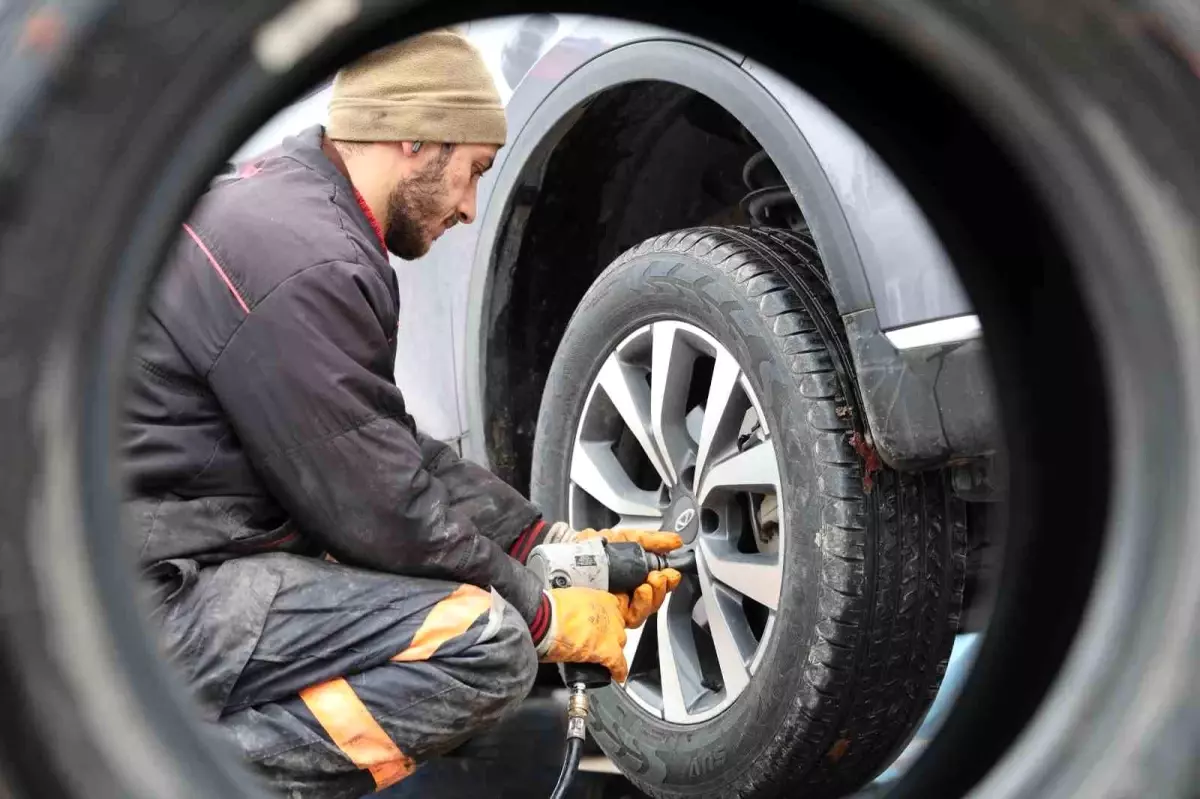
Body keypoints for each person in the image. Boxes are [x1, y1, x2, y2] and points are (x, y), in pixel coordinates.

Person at [122, 30, 682, 798]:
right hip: (165, 603)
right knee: (488, 644)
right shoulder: (310, 261)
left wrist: (543, 539)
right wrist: (545, 613)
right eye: (473, 171)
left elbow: (380, 446)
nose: (470, 207)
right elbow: (376, 508)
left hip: (169, 574)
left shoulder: (289, 209)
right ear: (417, 139)